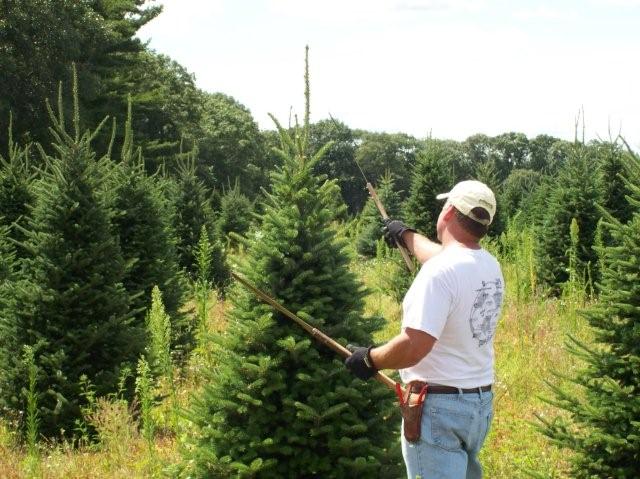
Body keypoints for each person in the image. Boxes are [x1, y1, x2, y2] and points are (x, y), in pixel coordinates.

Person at [345, 180, 504, 479]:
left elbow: (415, 345)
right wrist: (405, 235)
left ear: (449, 211)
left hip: (439, 412)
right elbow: (445, 259)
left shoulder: (440, 272)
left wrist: (370, 359)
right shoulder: (488, 265)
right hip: (477, 405)